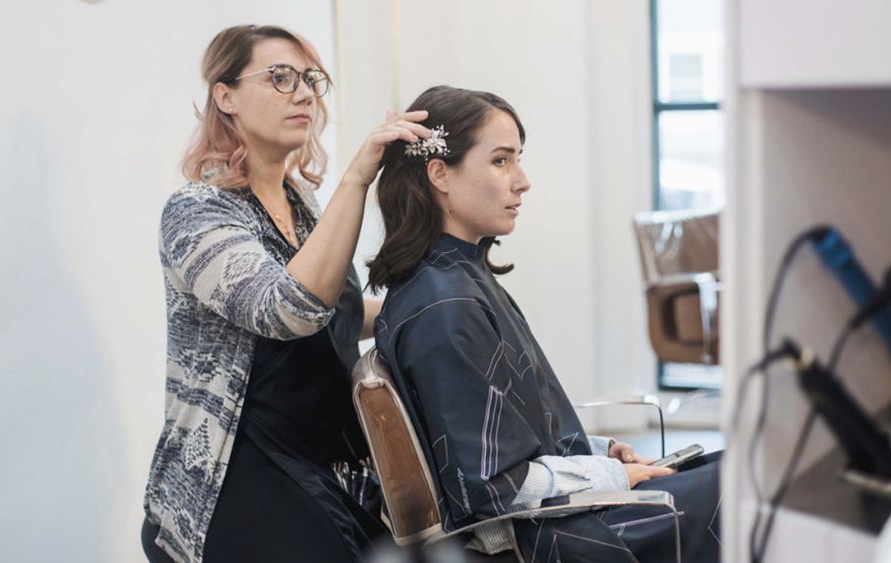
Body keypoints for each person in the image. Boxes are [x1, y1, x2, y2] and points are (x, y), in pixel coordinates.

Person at [369, 86, 721, 563]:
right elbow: (494, 488)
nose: (523, 181)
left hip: (566, 517)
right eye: (501, 160)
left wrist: (600, 451)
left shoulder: (457, 279)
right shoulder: (446, 308)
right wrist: (611, 476)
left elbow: (510, 438)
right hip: (558, 538)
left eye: (518, 159)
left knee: (736, 468)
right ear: (440, 174)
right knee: (752, 483)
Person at [141, 25, 434, 563]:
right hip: (239, 469)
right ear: (225, 96)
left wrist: (433, 307)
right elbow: (288, 310)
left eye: (309, 79)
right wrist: (357, 179)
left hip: (318, 460)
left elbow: (340, 312)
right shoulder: (197, 211)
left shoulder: (301, 205)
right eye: (280, 77)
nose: (303, 94)